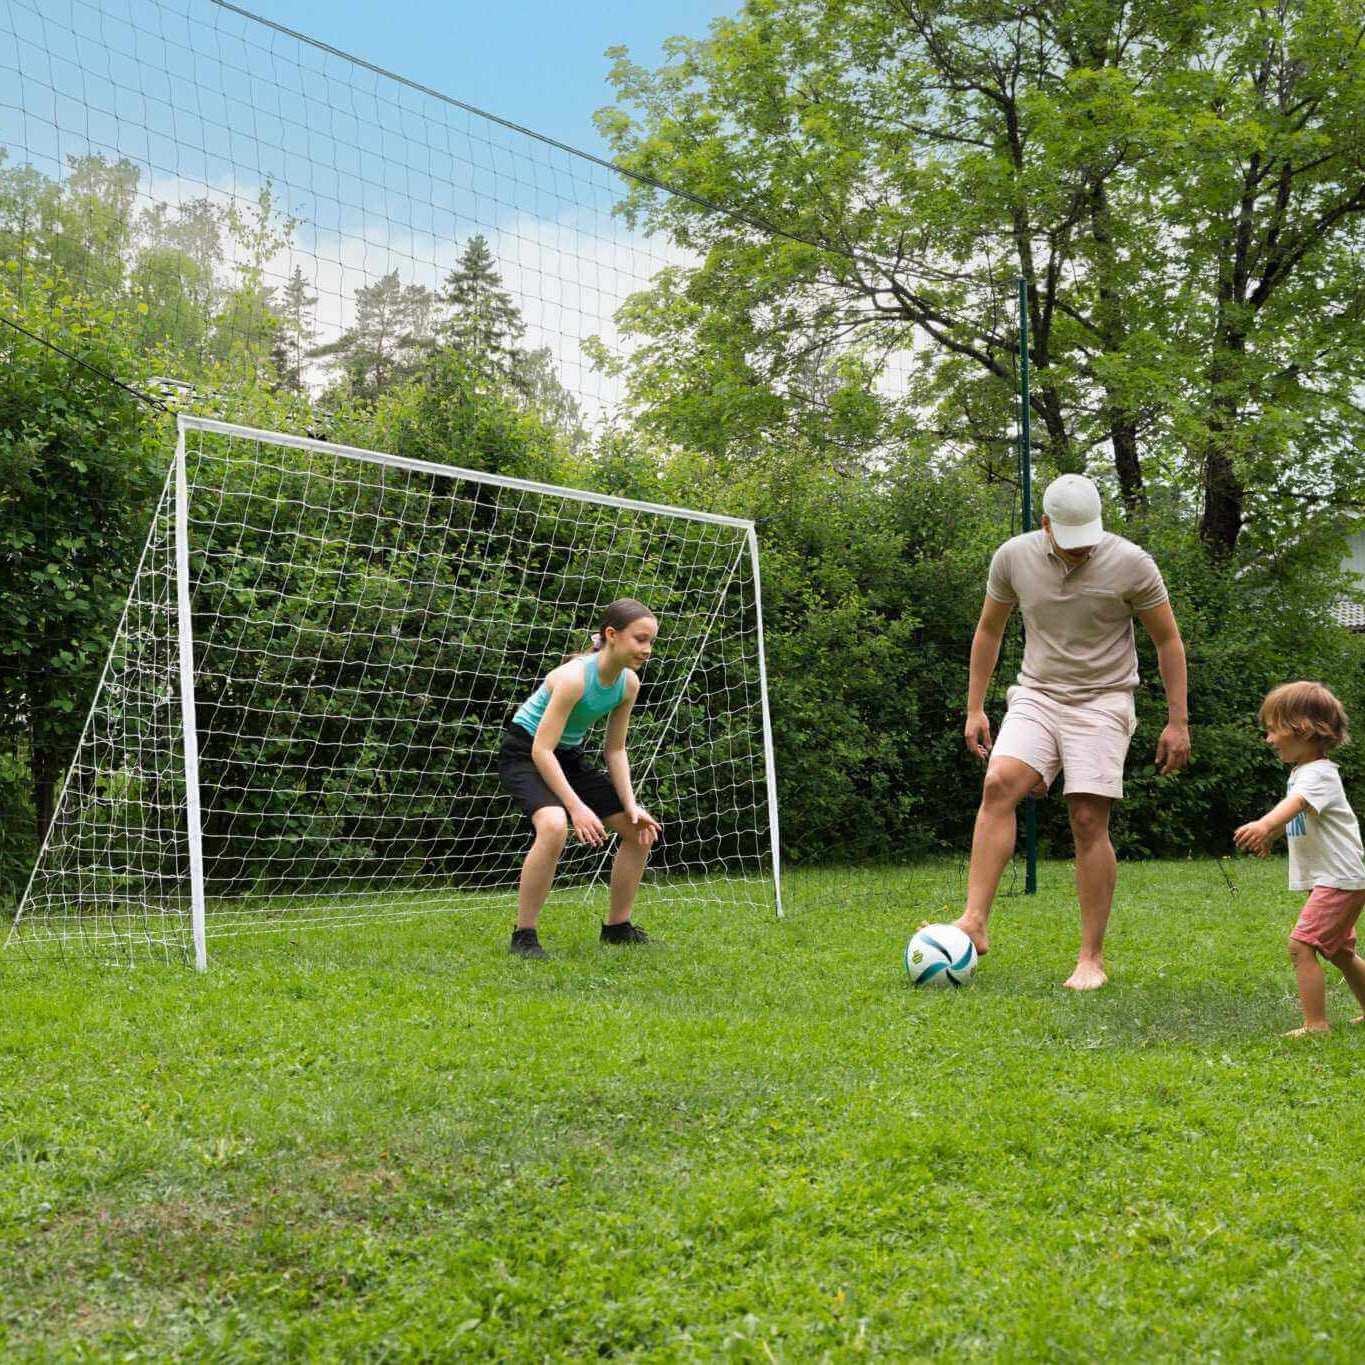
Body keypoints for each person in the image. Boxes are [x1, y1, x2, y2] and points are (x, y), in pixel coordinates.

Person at [955, 474, 1191, 989]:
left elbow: (1168, 641)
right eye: (1070, 537)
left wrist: (1178, 722)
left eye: (1089, 536)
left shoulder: (1133, 563)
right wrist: (975, 707)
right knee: (998, 786)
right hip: (1038, 694)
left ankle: (1091, 958)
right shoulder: (1013, 558)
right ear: (1045, 526)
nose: (1083, 547)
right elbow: (989, 629)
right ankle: (974, 922)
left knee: (1086, 818)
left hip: (1104, 699)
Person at [497, 598, 663, 959]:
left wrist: (631, 805)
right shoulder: (573, 678)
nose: (647, 649)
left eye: (651, 641)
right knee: (555, 825)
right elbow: (541, 750)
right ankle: (524, 936)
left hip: (566, 757)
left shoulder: (628, 684)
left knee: (639, 831)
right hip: (525, 752)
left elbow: (615, 750)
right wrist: (576, 808)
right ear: (611, 635)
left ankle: (618, 928)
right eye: (640, 639)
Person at [1233, 682, 1365, 1036]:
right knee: (1337, 951)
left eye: (1274, 729)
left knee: (1301, 946)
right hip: (1337, 877)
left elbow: (1294, 806)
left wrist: (1264, 825)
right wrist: (1271, 837)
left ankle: (1315, 1025)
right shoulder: (1304, 773)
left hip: (1338, 878)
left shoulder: (1319, 774)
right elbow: (1299, 815)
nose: (1269, 738)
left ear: (1302, 728)